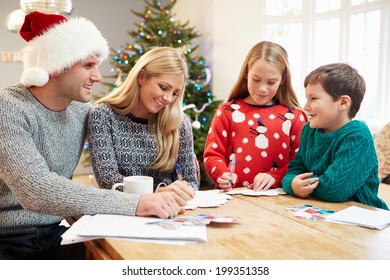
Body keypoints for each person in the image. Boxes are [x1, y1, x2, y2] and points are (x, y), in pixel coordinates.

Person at [0, 12, 183, 260]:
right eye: (88, 66)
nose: (97, 76)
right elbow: (36, 189)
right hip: (7, 239)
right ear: (57, 65)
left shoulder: (81, 110)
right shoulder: (8, 107)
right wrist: (135, 203)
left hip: (54, 233)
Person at [87, 47, 197, 206]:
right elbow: (108, 181)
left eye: (175, 93)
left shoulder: (179, 123)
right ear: (142, 77)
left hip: (170, 212)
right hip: (123, 213)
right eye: (164, 87)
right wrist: (156, 193)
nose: (168, 98)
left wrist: (183, 190)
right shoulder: (103, 115)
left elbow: (191, 181)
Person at [282, 63, 389, 210]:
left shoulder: (358, 135)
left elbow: (334, 189)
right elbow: (295, 169)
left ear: (343, 103)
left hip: (362, 218)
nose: (306, 106)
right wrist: (293, 184)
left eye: (313, 98)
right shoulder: (309, 130)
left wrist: (304, 185)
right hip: (321, 212)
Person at [203, 41, 307, 191]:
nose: (262, 89)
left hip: (278, 201)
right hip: (233, 198)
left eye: (271, 82)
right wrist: (222, 174)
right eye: (256, 79)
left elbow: (299, 162)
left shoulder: (295, 117)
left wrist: (275, 176)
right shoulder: (227, 112)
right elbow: (213, 155)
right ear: (246, 73)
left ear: (283, 79)